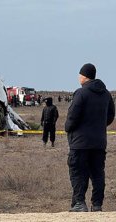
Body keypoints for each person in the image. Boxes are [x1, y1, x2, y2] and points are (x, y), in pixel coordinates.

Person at [65, 63, 115, 212]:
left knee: (78, 172)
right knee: (98, 174)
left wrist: (68, 127)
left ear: (84, 76)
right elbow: (111, 115)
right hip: (99, 142)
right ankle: (97, 205)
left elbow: (73, 116)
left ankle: (80, 203)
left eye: (80, 74)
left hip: (80, 143)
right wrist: (98, 126)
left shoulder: (81, 93)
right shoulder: (106, 94)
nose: (79, 77)